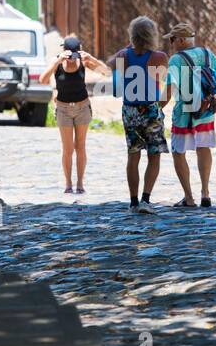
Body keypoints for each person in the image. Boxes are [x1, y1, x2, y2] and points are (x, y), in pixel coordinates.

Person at [159, 22, 216, 208]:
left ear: (182, 40)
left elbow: (168, 93)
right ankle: (205, 193)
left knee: (178, 152)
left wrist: (155, 108)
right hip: (206, 112)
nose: (171, 44)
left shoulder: (176, 59)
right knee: (203, 148)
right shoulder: (207, 54)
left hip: (185, 114)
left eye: (173, 40)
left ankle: (189, 198)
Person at [106, 16, 169, 213]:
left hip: (130, 110)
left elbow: (110, 64)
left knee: (133, 155)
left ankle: (133, 201)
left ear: (132, 35)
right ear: (152, 35)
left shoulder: (123, 56)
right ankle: (146, 199)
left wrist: (128, 48)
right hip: (150, 109)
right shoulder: (159, 57)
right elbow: (163, 80)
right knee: (154, 155)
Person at [40, 35, 107, 194]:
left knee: (80, 146)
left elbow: (106, 71)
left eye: (74, 54)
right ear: (64, 51)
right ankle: (68, 183)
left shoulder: (83, 61)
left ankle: (80, 183)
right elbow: (43, 80)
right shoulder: (57, 62)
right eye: (69, 55)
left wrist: (92, 58)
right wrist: (57, 62)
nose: (71, 58)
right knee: (68, 148)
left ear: (79, 52)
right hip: (63, 108)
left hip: (82, 107)